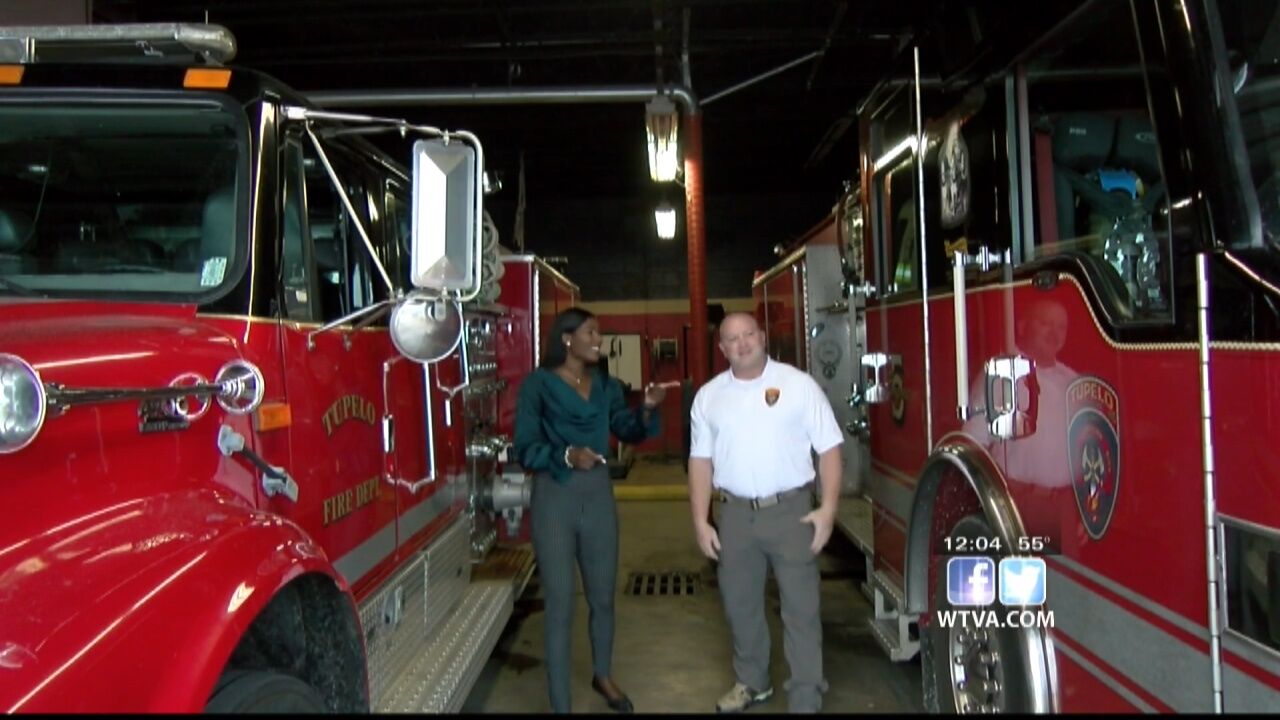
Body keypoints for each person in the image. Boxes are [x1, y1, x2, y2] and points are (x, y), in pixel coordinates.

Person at [513, 307, 669, 714]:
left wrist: (647, 409)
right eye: (592, 332)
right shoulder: (538, 386)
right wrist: (564, 455)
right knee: (561, 603)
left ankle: (602, 675)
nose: (600, 339)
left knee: (602, 596)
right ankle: (560, 703)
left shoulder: (605, 384)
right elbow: (525, 446)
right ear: (567, 339)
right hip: (555, 498)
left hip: (598, 496)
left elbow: (628, 428)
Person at [688, 312, 843, 714]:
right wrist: (700, 520)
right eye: (732, 339)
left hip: (791, 512)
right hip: (735, 516)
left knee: (801, 609)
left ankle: (805, 697)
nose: (742, 344)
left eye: (748, 335)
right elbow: (700, 461)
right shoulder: (709, 397)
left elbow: (829, 449)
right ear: (721, 349)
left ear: (762, 336)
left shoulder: (798, 385)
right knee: (740, 605)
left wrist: (827, 510)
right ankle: (752, 682)